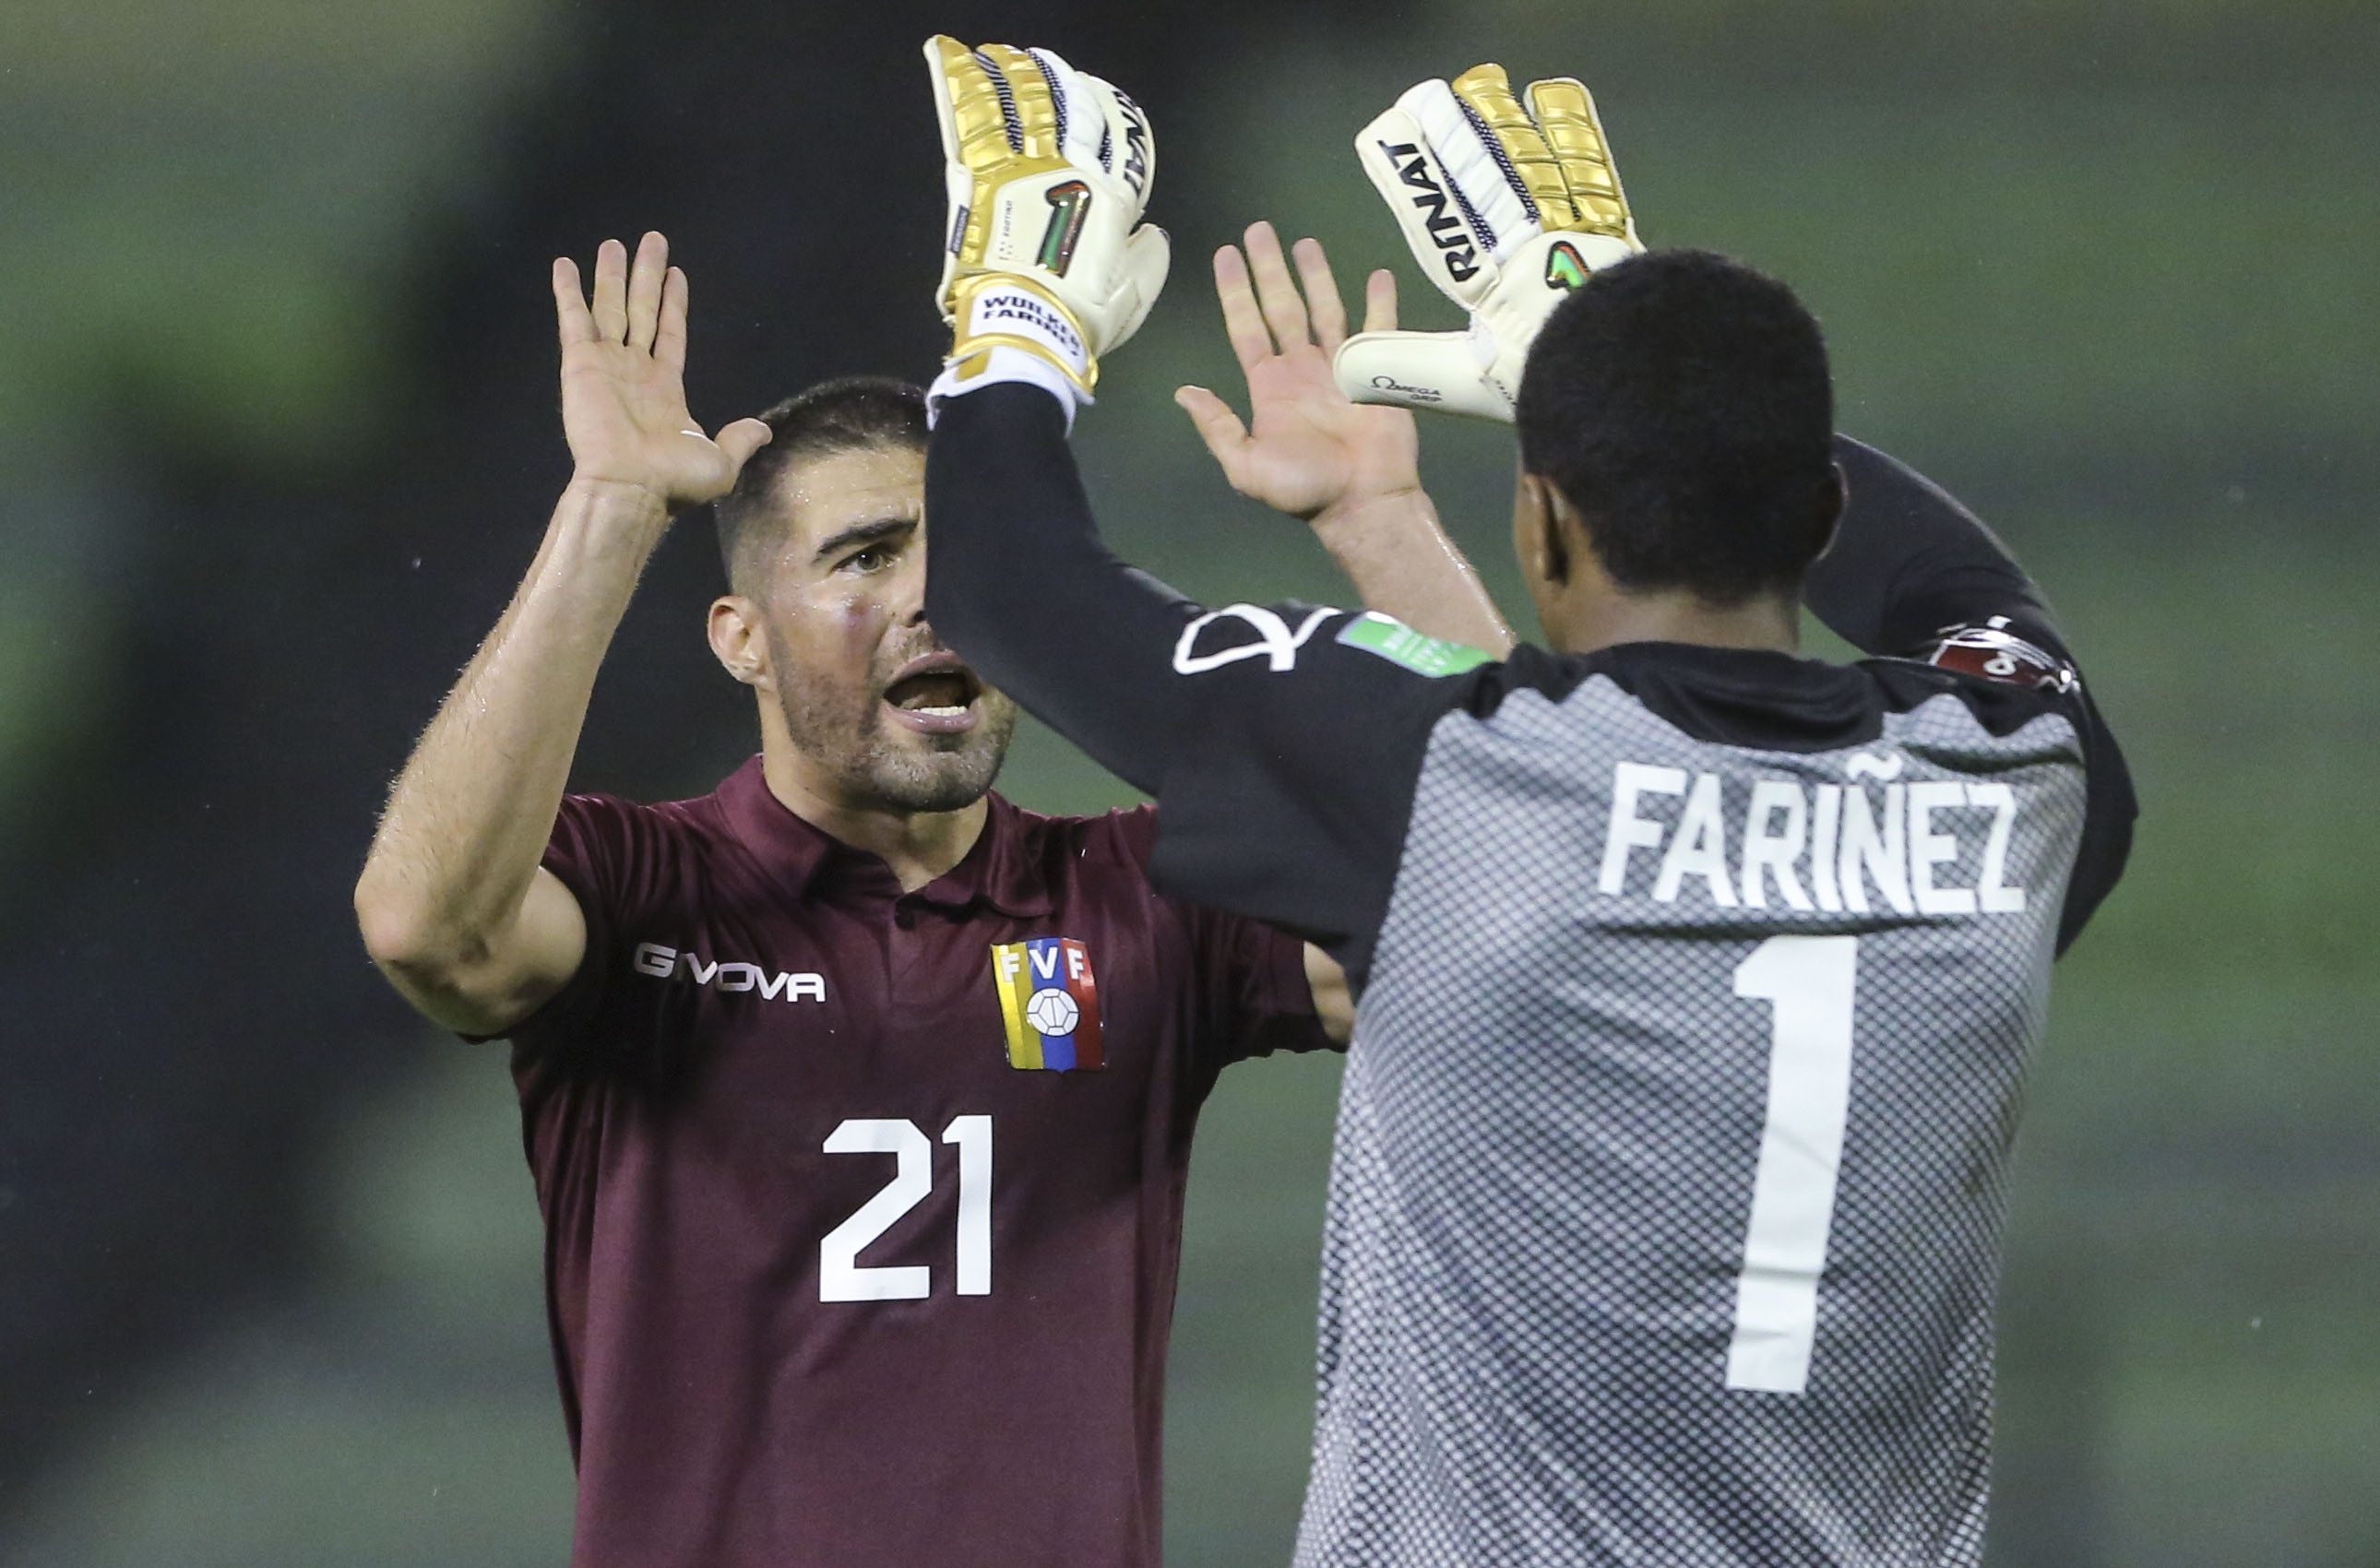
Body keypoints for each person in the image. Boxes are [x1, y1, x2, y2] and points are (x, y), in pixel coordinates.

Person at [919, 53, 2136, 1568]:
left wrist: (1020, 321)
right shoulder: (2011, 784)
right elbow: (1963, 597)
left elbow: (1004, 587)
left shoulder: (1442, 778)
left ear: (1540, 518)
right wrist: (1598, 345)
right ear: (1817, 516)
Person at [350, 221, 1503, 1568]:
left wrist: (1380, 524)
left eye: (962, 559)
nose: (930, 601)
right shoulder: (641, 894)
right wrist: (611, 509)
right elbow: (429, 928)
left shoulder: (1145, 902)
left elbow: (1519, 917)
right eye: (863, 558)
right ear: (743, 639)